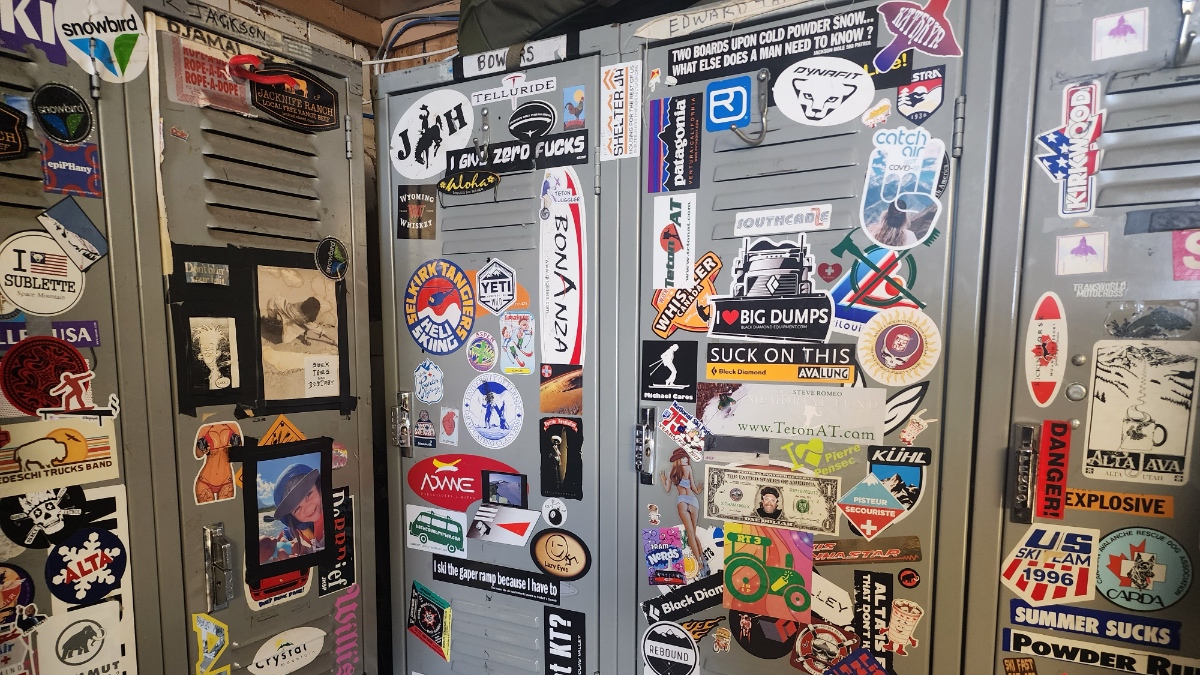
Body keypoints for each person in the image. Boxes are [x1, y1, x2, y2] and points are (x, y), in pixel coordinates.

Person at [261, 463, 325, 563]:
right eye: (297, 508)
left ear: (318, 486)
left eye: (308, 494)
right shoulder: (301, 526)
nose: (307, 508)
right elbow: (288, 530)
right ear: (292, 517)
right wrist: (285, 539)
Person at [659, 448, 706, 576]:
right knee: (693, 534)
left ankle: (700, 564)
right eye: (684, 457)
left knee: (690, 533)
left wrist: (663, 480)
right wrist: (700, 489)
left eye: (687, 458)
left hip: (681, 501)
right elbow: (694, 489)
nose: (686, 459)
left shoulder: (671, 472)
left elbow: (667, 489)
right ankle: (702, 560)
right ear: (679, 459)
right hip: (692, 499)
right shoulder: (689, 469)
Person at [261, 296, 327, 346]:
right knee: (272, 328)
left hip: (277, 301)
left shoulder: (300, 305)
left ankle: (268, 321)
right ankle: (267, 322)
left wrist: (305, 337)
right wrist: (332, 340)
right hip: (273, 306)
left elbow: (307, 325)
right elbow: (312, 327)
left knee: (281, 326)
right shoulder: (300, 315)